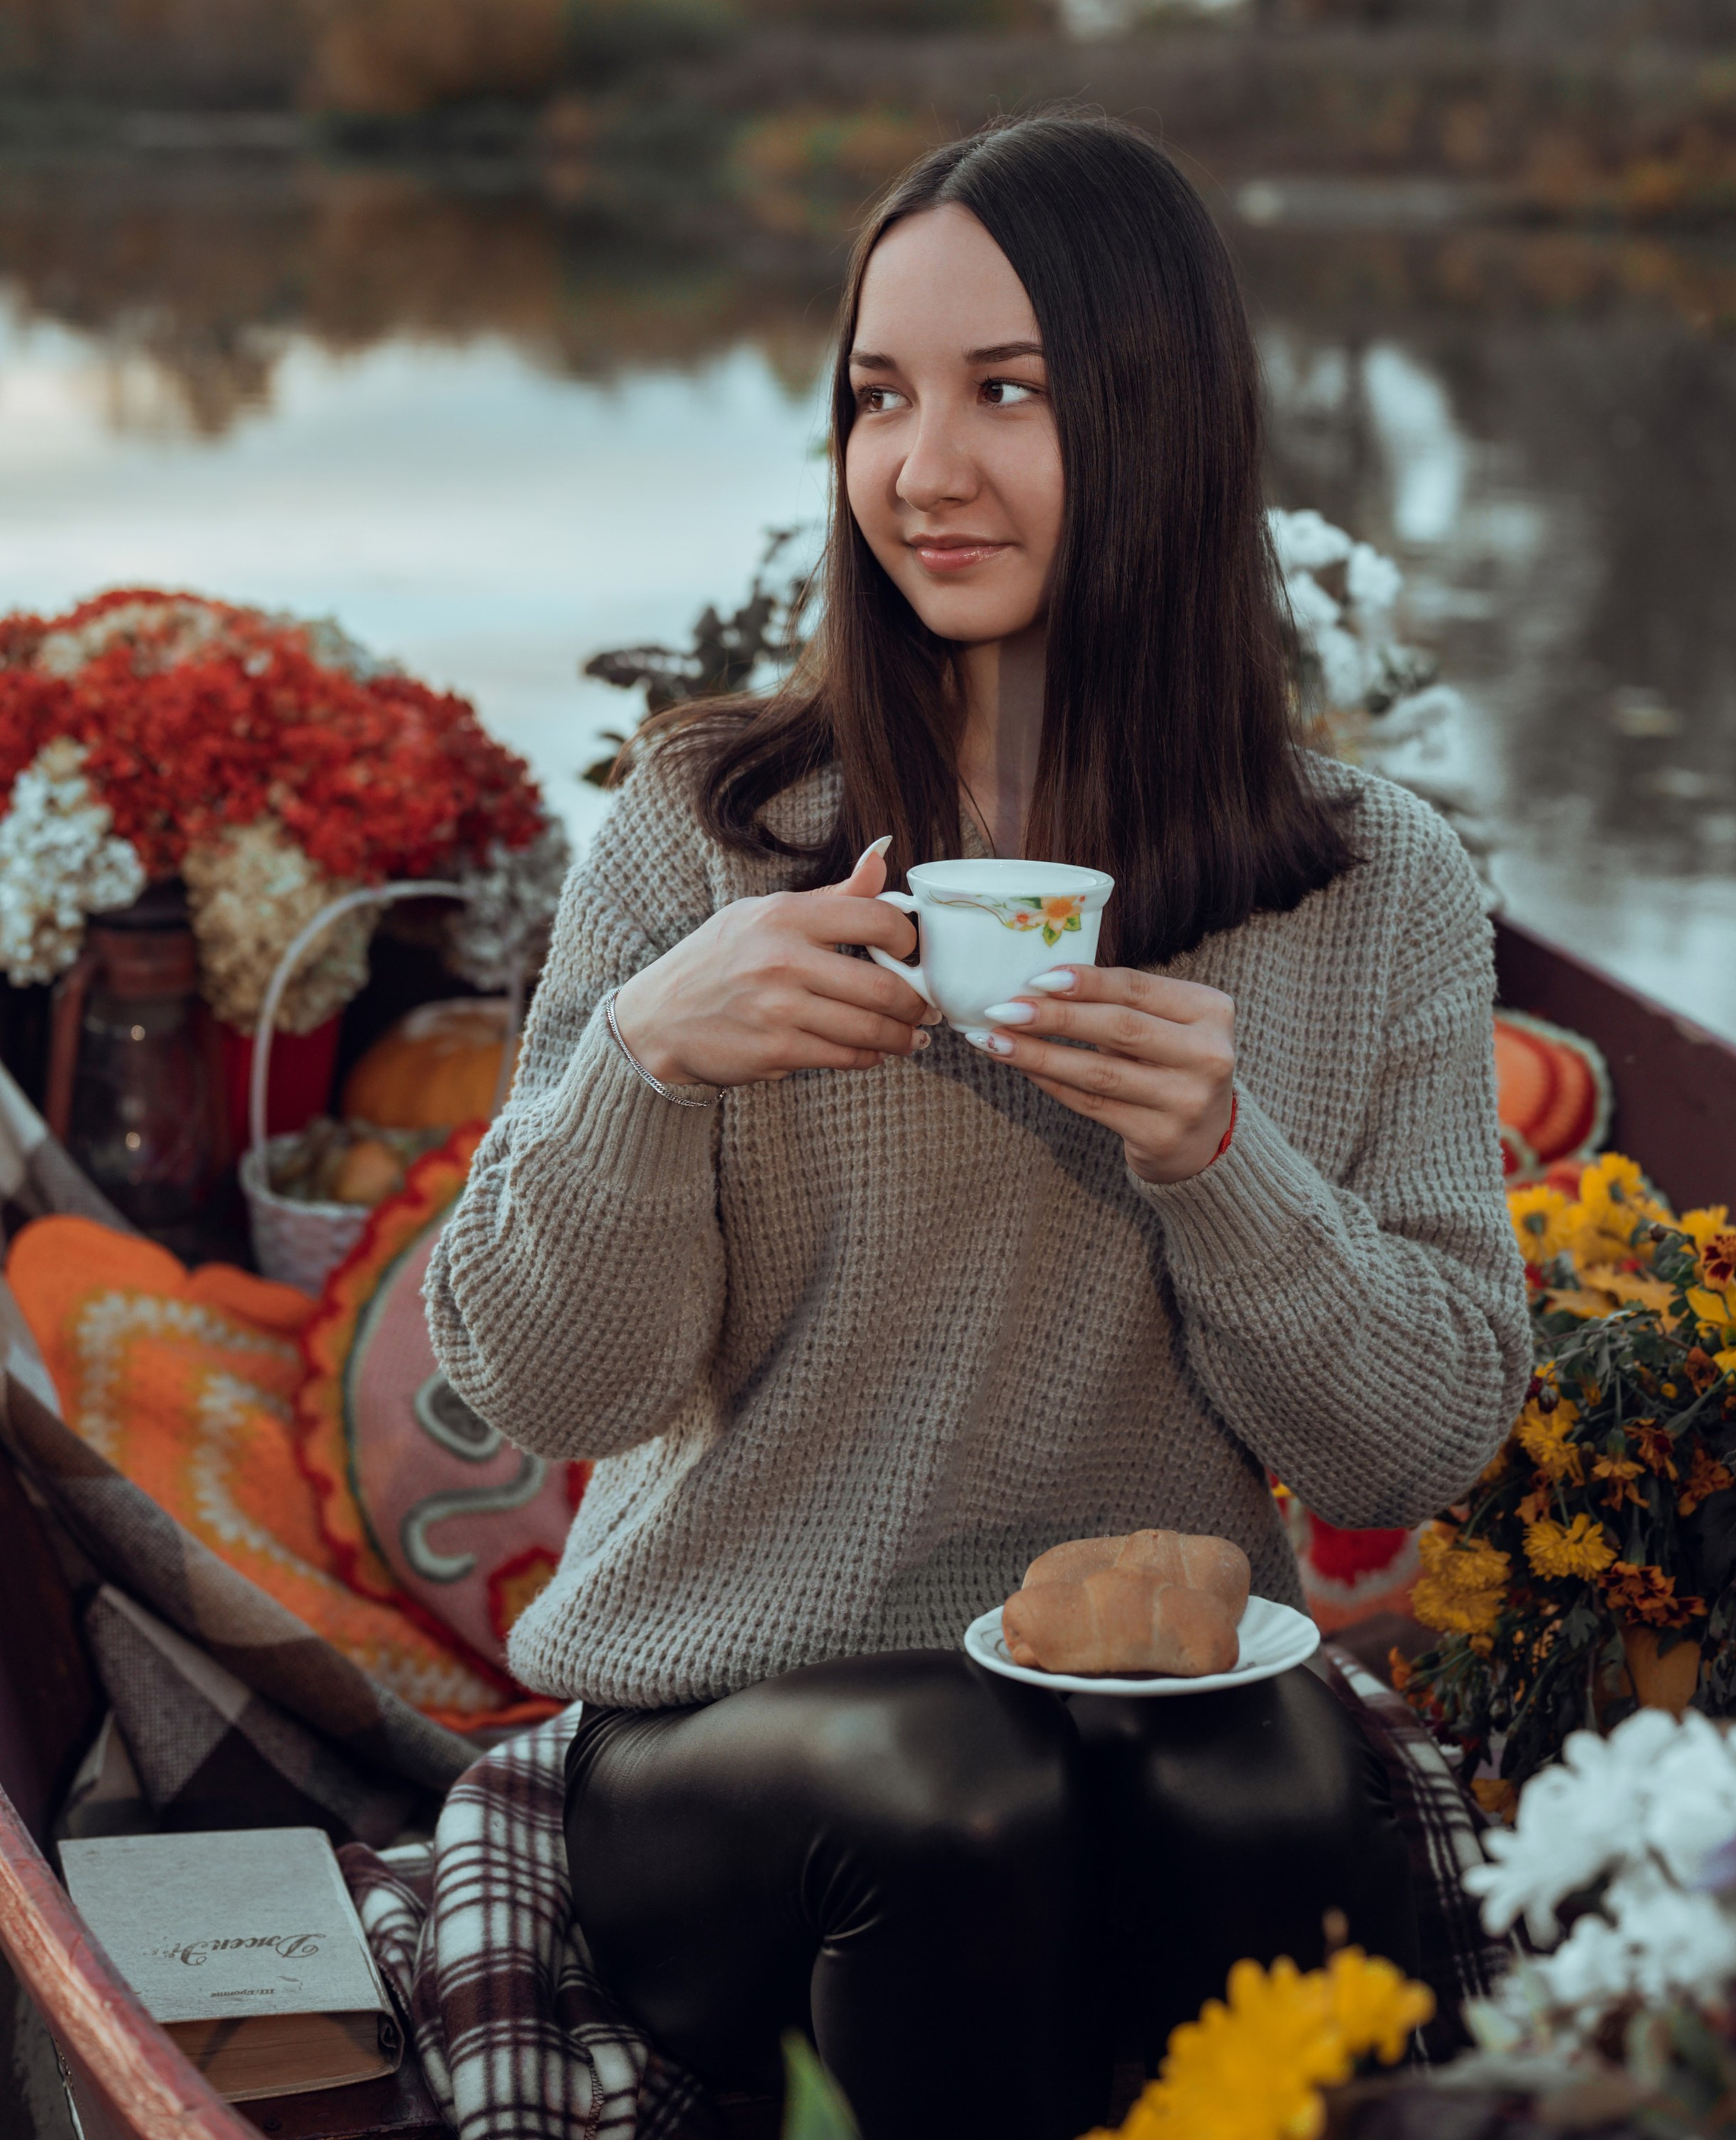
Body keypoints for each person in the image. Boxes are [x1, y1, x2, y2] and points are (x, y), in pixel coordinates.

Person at [425, 115, 1529, 2140]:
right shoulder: (710, 827)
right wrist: (649, 1066)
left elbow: (1415, 1445)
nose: (921, 468)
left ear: (1165, 421)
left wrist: (1225, 1168)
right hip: (730, 1732)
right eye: (879, 397)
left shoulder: (1376, 882)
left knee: (1290, 1794)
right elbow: (549, 1385)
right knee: (960, 1795)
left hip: (1165, 1703)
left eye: (1006, 392)